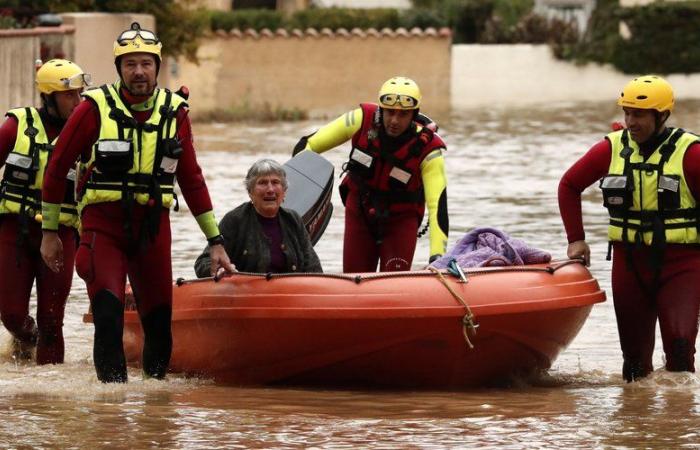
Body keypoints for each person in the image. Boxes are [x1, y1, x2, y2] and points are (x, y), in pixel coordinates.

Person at [39, 22, 234, 383]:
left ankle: (153, 413)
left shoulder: (176, 112)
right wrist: (50, 231)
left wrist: (216, 241)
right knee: (109, 318)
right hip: (103, 226)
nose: (139, 71)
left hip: (153, 229)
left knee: (159, 326)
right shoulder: (93, 108)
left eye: (146, 63)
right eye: (130, 64)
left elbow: (191, 180)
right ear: (119, 69)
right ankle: (110, 413)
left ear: (157, 67)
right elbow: (56, 167)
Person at [558, 75, 700, 382]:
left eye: (638, 114)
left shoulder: (691, 154)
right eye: (626, 113)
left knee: (680, 352)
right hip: (629, 264)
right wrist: (576, 240)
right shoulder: (610, 149)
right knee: (634, 365)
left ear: (661, 116)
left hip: (681, 266)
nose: (629, 121)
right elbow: (569, 185)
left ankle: (678, 424)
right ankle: (637, 422)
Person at [293, 76, 448, 273]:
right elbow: (308, 145)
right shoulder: (360, 119)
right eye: (390, 112)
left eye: (403, 114)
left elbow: (438, 207)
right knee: (354, 280)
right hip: (360, 213)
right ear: (381, 110)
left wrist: (437, 257)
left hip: (401, 221)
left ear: (413, 115)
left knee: (393, 285)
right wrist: (294, 193)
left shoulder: (430, 151)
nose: (394, 120)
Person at [0, 59, 89, 364]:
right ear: (50, 97)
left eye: (80, 94)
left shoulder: (90, 131)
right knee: (11, 314)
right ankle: (27, 339)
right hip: (15, 229)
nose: (78, 102)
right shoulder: (17, 125)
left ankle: (49, 398)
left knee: (53, 320)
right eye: (70, 96)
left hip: (62, 233)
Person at [194, 159, 322, 276]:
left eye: (275, 182)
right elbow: (202, 263)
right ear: (250, 192)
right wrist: (219, 270)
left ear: (284, 192)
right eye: (262, 183)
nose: (270, 189)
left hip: (290, 296)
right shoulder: (235, 219)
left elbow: (313, 267)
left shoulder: (293, 219)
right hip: (246, 296)